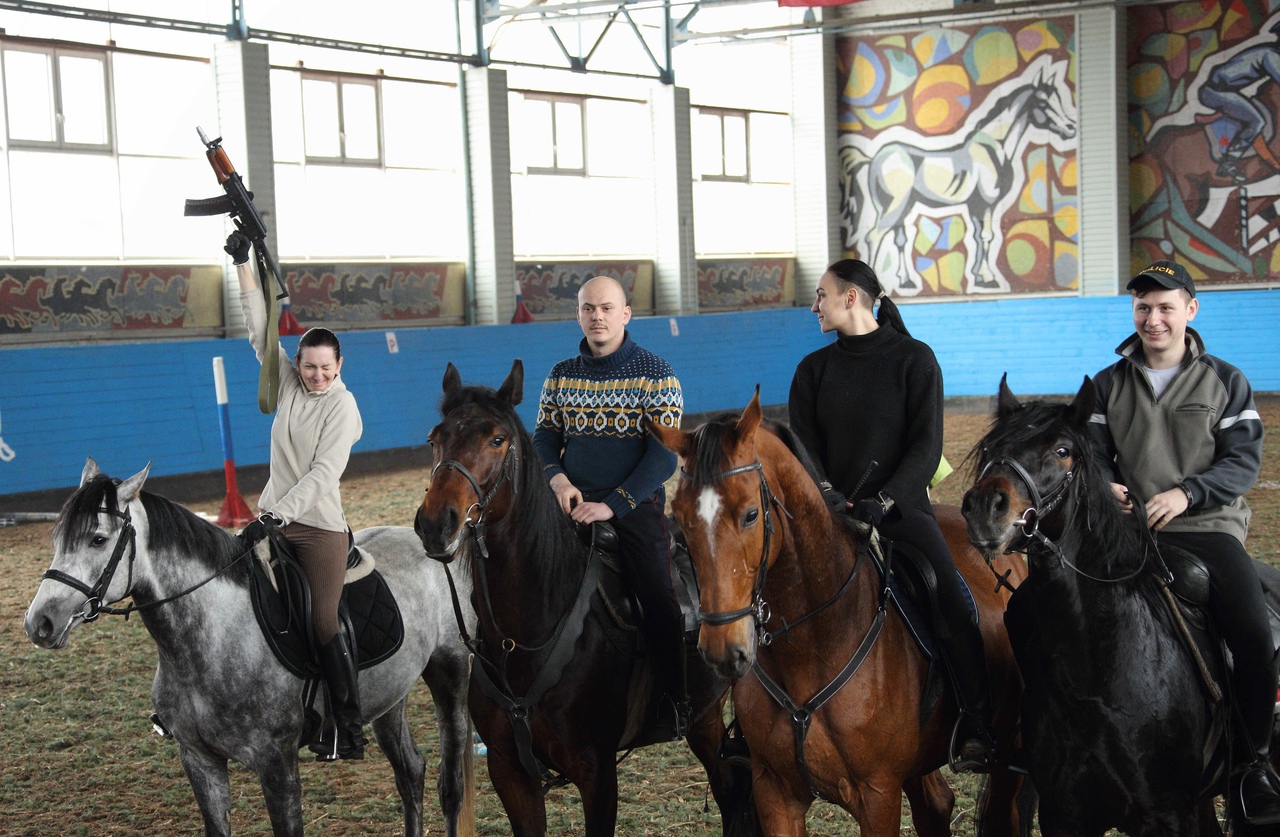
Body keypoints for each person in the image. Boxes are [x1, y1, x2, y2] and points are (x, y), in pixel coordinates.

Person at [788, 258, 997, 773]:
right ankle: (748, 731)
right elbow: (804, 451)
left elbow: (927, 448)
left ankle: (977, 721)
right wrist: (830, 497)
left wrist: (884, 502)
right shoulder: (811, 371)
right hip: (826, 517)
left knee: (951, 596)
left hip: (901, 512)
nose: (814, 305)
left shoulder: (915, 361)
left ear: (852, 298)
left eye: (821, 295)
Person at [1090, 259, 1279, 824]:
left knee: (1250, 632)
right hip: (1131, 534)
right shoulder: (1108, 383)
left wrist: (1187, 495)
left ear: (1190, 311)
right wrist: (1108, 487)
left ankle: (1253, 767)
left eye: (1166, 307)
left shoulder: (1226, 380)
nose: (1153, 319)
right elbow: (1094, 457)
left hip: (1209, 531)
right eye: (1143, 307)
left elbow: (1242, 463)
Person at [226, 230, 367, 761]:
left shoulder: (342, 408)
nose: (316, 375)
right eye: (309, 365)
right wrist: (241, 264)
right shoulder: (287, 382)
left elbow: (323, 476)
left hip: (317, 527)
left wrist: (276, 514)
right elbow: (260, 333)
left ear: (339, 366)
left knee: (322, 621)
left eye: (326, 368)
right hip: (272, 518)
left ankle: (349, 726)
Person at [532, 275, 689, 735]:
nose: (596, 316)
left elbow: (664, 457)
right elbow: (544, 436)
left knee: (659, 595)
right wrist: (557, 478)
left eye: (606, 308)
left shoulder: (656, 374)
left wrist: (614, 505)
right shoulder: (561, 374)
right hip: (568, 501)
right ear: (578, 314)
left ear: (625, 314)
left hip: (634, 505)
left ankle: (674, 701)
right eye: (587, 308)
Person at [1197, 19, 1280, 174]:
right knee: (1256, 121)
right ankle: (1228, 162)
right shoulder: (1271, 55)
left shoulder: (1270, 51)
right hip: (1216, 93)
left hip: (1222, 91)